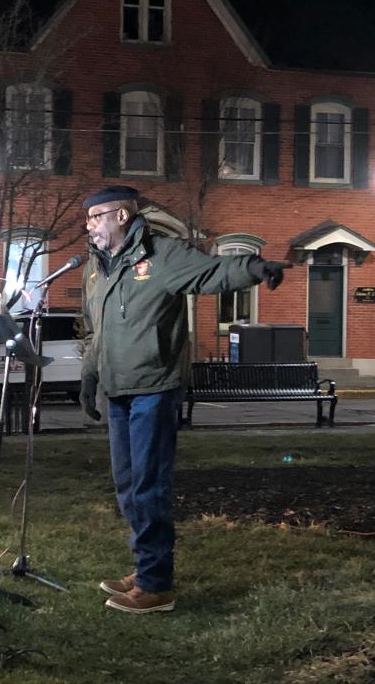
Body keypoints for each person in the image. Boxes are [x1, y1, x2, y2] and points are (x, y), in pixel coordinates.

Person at [80, 185, 287, 614]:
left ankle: (156, 586)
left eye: (96, 216)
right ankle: (144, 566)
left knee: (148, 485)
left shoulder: (163, 255)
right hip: (117, 390)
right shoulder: (96, 268)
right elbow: (96, 330)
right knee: (127, 486)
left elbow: (213, 271)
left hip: (154, 386)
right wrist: (89, 377)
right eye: (88, 218)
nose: (89, 225)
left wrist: (254, 267)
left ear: (121, 216)